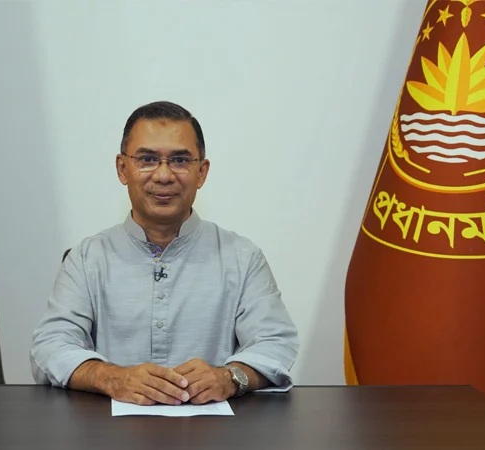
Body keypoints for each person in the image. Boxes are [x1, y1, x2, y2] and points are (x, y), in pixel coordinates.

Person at [30, 101, 299, 406]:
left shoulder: (242, 257)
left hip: (215, 429)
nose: (163, 175)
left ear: (201, 172)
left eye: (180, 160)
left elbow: (275, 342)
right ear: (122, 168)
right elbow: (50, 346)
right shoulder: (87, 258)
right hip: (107, 429)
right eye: (146, 159)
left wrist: (229, 377)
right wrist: (112, 378)